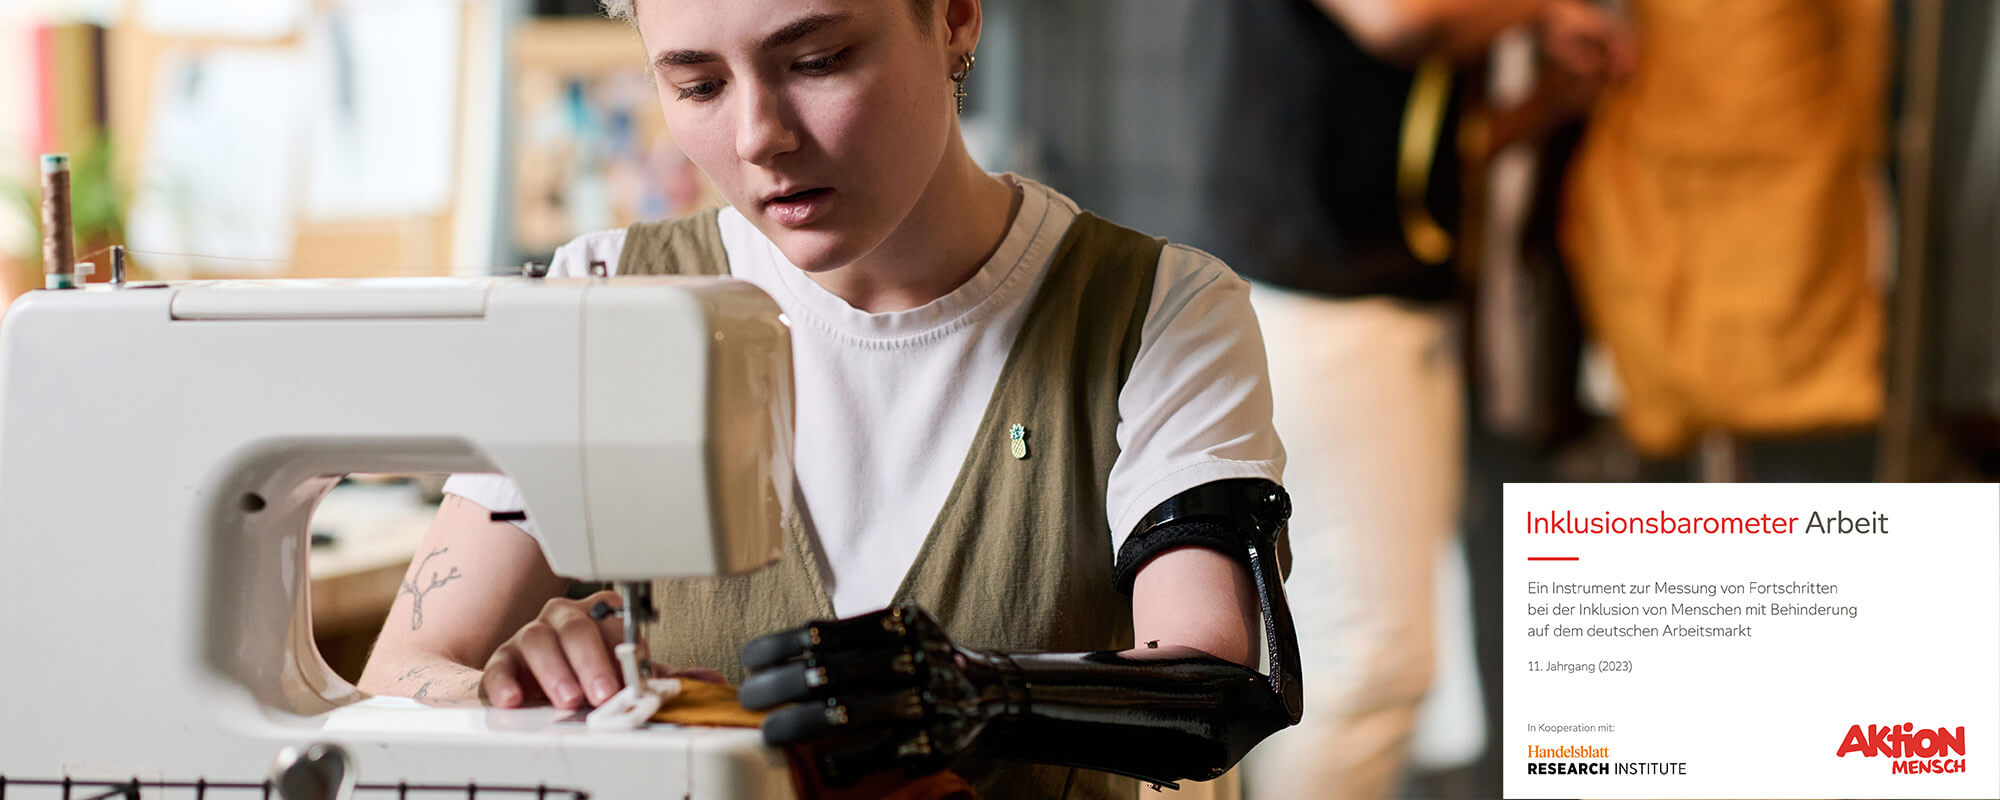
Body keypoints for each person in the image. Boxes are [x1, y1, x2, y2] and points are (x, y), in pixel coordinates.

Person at [358, 0, 1298, 797]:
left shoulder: (1159, 310)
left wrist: (974, 693)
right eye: (698, 86)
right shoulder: (599, 297)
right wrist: (514, 701)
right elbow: (398, 674)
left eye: (818, 60)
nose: (760, 135)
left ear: (956, 15)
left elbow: (1207, 682)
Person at [1083, 1, 1632, 797]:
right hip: (1322, 306)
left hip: (1374, 305)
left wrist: (1548, 104)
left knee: (1372, 660)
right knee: (1375, 664)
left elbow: (1419, 144)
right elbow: (1396, 19)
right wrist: (1541, 11)